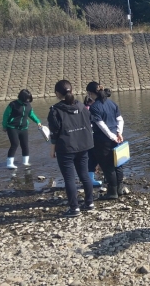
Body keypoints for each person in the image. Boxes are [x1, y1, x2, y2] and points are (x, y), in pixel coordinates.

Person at [48, 80, 95, 217]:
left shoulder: (55, 110)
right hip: (83, 145)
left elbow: (54, 132)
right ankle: (89, 202)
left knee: (69, 178)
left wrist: (52, 149)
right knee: (84, 174)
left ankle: (74, 208)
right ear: (72, 91)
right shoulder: (82, 106)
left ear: (57, 93)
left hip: (66, 148)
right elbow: (89, 122)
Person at [86, 82, 125, 200]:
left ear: (91, 93)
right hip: (118, 139)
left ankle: (112, 192)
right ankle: (120, 188)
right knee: (118, 164)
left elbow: (101, 125)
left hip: (103, 141)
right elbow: (120, 120)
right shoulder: (112, 103)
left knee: (108, 167)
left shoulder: (94, 107)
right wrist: (119, 133)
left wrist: (112, 136)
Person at [2, 89, 42, 169]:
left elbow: (31, 114)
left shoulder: (28, 105)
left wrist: (38, 121)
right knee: (15, 144)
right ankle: (9, 164)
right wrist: (4, 126)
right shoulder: (13, 104)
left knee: (25, 145)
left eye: (29, 99)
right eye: (27, 99)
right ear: (22, 97)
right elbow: (6, 115)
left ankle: (25, 162)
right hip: (12, 127)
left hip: (24, 128)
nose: (28, 100)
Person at [84, 95, 103, 187]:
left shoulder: (82, 110)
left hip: (86, 139)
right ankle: (94, 177)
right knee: (96, 157)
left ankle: (91, 178)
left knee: (91, 158)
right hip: (94, 137)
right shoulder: (92, 110)